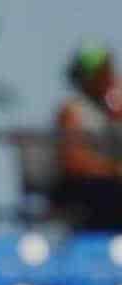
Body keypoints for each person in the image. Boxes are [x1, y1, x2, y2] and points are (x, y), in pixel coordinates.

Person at [54, 41, 122, 230]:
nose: (108, 77)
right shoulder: (72, 111)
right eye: (102, 72)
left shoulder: (114, 108)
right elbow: (75, 162)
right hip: (89, 189)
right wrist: (113, 170)